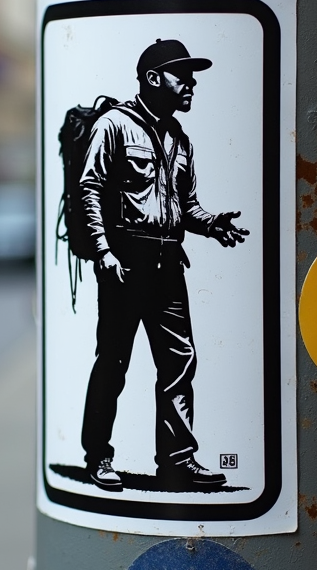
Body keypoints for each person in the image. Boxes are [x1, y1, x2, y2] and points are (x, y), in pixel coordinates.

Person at [79, 38, 249, 493]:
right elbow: (90, 189)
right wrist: (104, 252)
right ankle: (98, 457)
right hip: (124, 261)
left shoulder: (180, 139)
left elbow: (186, 206)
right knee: (114, 362)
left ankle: (177, 460)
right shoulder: (114, 125)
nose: (191, 84)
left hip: (169, 261)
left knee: (179, 361)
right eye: (183, 75)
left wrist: (213, 225)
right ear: (153, 79)